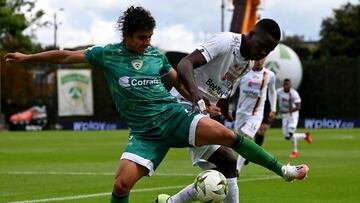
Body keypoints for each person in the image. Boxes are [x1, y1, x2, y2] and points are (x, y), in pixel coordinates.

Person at [5, 7, 309, 203]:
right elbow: (65, 55)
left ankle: (281, 169)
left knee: (228, 140)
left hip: (174, 115)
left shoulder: (156, 56)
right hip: (145, 132)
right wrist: (27, 58)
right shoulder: (107, 54)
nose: (147, 43)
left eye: (150, 37)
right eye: (141, 38)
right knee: (122, 185)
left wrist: (198, 100)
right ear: (126, 36)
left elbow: (177, 79)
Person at [156, 19, 307, 203]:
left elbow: (224, 87)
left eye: (269, 50)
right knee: (231, 144)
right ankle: (282, 170)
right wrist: (195, 93)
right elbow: (184, 63)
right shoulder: (225, 42)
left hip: (203, 112)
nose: (263, 52)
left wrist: (223, 109)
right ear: (251, 34)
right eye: (262, 45)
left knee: (227, 166)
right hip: (183, 107)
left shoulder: (247, 64)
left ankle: (170, 202)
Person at [234, 58, 276, 174]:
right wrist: (223, 100)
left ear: (265, 59)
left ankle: (237, 169)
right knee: (239, 140)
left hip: (256, 114)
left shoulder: (269, 75)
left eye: (262, 59)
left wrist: (273, 108)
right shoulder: (243, 72)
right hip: (241, 112)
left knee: (247, 137)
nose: (259, 61)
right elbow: (232, 89)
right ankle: (247, 155)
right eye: (257, 59)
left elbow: (272, 91)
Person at [277, 78, 312, 158]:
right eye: (285, 84)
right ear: (283, 85)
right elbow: (272, 96)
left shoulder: (294, 94)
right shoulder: (279, 92)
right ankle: (305, 136)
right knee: (287, 136)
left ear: (290, 85)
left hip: (293, 115)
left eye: (287, 85)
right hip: (285, 116)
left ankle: (295, 151)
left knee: (290, 133)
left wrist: (287, 111)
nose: (286, 86)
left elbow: (298, 107)